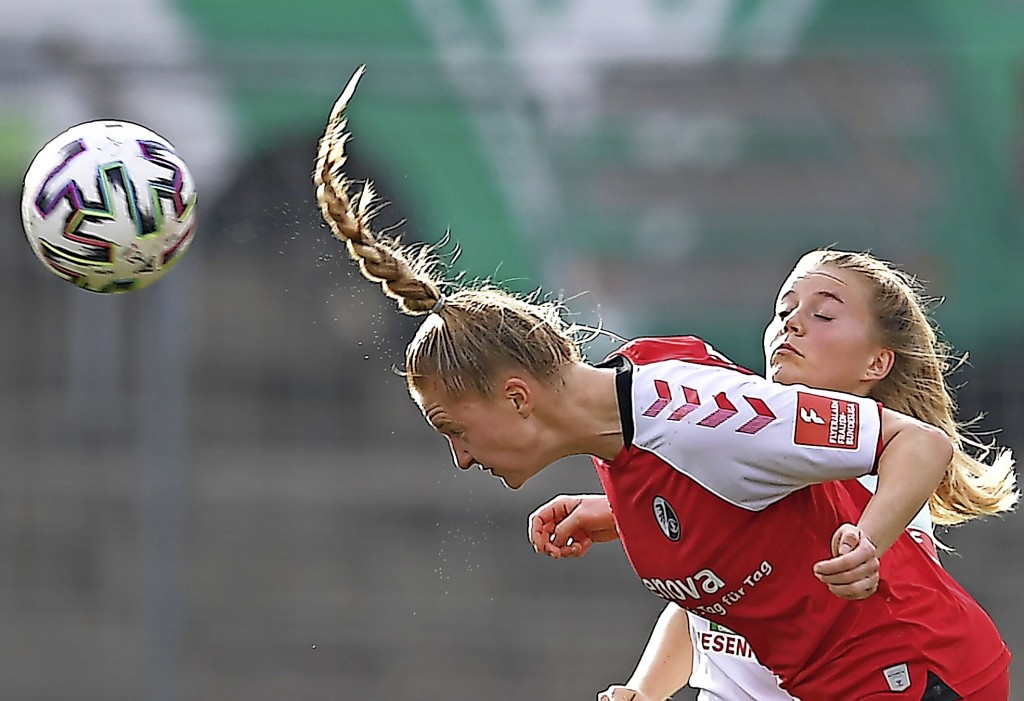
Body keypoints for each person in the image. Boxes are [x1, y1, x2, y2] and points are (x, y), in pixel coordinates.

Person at [312, 67, 1013, 699]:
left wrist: (864, 539)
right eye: (784, 310)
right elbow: (727, 513)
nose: (460, 456)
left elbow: (914, 442)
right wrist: (623, 524)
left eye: (455, 429)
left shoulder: (695, 409)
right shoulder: (633, 419)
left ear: (518, 397)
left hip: (921, 675)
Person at [527, 249, 1018, 700]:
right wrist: (643, 690)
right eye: (784, 311)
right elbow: (709, 599)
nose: (792, 325)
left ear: (877, 362)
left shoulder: (884, 496)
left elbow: (877, 628)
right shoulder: (738, 448)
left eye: (823, 314)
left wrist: (867, 541)